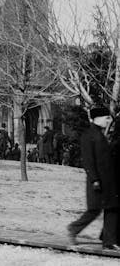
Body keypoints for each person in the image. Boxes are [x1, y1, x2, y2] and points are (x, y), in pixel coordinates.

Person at [67, 106, 119, 250]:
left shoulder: (100, 134)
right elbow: (88, 161)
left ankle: (109, 241)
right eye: (106, 118)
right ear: (97, 118)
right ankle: (73, 229)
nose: (108, 121)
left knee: (112, 209)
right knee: (94, 210)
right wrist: (94, 180)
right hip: (97, 181)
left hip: (108, 181)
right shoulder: (89, 135)